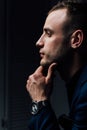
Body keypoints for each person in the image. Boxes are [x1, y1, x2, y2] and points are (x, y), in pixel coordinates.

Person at [26, 0, 87, 129]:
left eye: (48, 34)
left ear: (76, 40)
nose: (38, 42)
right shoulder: (77, 83)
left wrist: (40, 99)